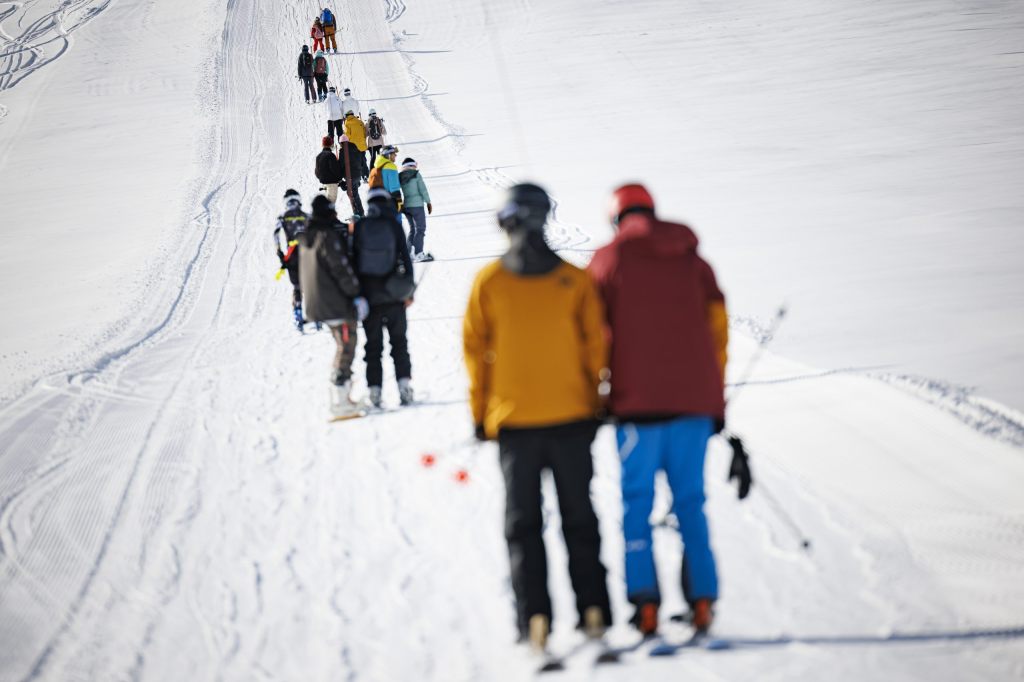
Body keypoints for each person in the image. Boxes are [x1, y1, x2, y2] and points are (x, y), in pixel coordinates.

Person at [462, 183, 612, 652]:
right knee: (578, 518)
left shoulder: (489, 281)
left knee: (523, 526)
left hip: (514, 424)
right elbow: (596, 348)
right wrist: (593, 403)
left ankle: (535, 620)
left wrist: (481, 415)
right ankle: (593, 611)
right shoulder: (575, 279)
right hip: (571, 418)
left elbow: (474, 355)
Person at [587, 183, 729, 636]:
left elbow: (593, 335)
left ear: (616, 218)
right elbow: (718, 330)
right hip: (694, 407)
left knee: (635, 505)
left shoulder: (608, 260)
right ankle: (702, 601)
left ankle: (645, 604)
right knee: (691, 503)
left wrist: (599, 393)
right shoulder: (693, 259)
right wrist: (713, 395)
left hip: (636, 408)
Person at [298, 195, 366, 418]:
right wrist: (356, 294)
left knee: (342, 344)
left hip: (318, 303)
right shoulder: (325, 236)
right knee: (346, 345)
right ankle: (340, 398)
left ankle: (342, 396)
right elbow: (340, 268)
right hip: (335, 303)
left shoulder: (306, 238)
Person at [352, 188, 415, 409]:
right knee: (399, 343)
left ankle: (375, 393)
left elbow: (353, 264)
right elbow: (406, 260)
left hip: (369, 299)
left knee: (373, 347)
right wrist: (409, 293)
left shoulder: (360, 227)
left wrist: (358, 296)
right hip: (395, 296)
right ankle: (405, 388)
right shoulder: (394, 226)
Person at [273, 189, 308, 331]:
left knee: (297, 286)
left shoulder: (283, 217)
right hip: (307, 253)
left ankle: (297, 313)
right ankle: (315, 312)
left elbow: (275, 234)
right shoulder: (306, 215)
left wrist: (279, 252)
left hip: (291, 255)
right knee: (310, 283)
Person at [398, 158, 433, 261]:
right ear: (412, 165)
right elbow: (423, 189)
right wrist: (428, 202)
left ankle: (408, 254)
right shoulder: (416, 174)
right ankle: (418, 253)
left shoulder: (400, 176)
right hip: (417, 206)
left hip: (407, 206)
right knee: (420, 229)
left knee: (412, 230)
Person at [338, 134, 365, 218]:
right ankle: (359, 213)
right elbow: (362, 160)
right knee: (354, 193)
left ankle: (358, 213)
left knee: (352, 194)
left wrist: (341, 175)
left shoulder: (343, 151)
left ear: (341, 143)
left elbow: (341, 165)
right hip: (357, 174)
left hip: (350, 176)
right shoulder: (355, 148)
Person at [314, 136, 343, 203]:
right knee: (330, 205)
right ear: (331, 144)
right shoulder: (331, 155)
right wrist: (340, 179)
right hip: (332, 183)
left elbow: (317, 171)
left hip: (324, 183)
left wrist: (321, 178)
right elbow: (335, 169)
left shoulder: (319, 156)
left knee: (326, 204)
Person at [342, 110, 369, 179]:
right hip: (362, 145)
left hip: (354, 146)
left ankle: (359, 176)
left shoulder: (347, 123)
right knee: (363, 159)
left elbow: (347, 135)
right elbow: (365, 133)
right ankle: (365, 174)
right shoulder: (360, 121)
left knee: (356, 161)